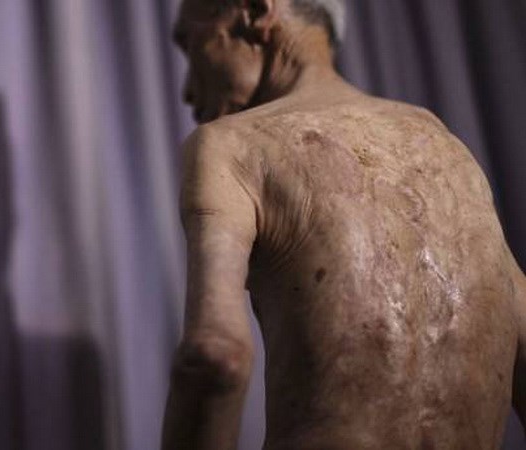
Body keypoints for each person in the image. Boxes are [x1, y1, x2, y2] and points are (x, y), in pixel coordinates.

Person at [161, 0, 526, 448]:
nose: (187, 91)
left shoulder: (231, 145)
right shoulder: (445, 145)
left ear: (255, 12)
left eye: (191, 41)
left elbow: (215, 357)